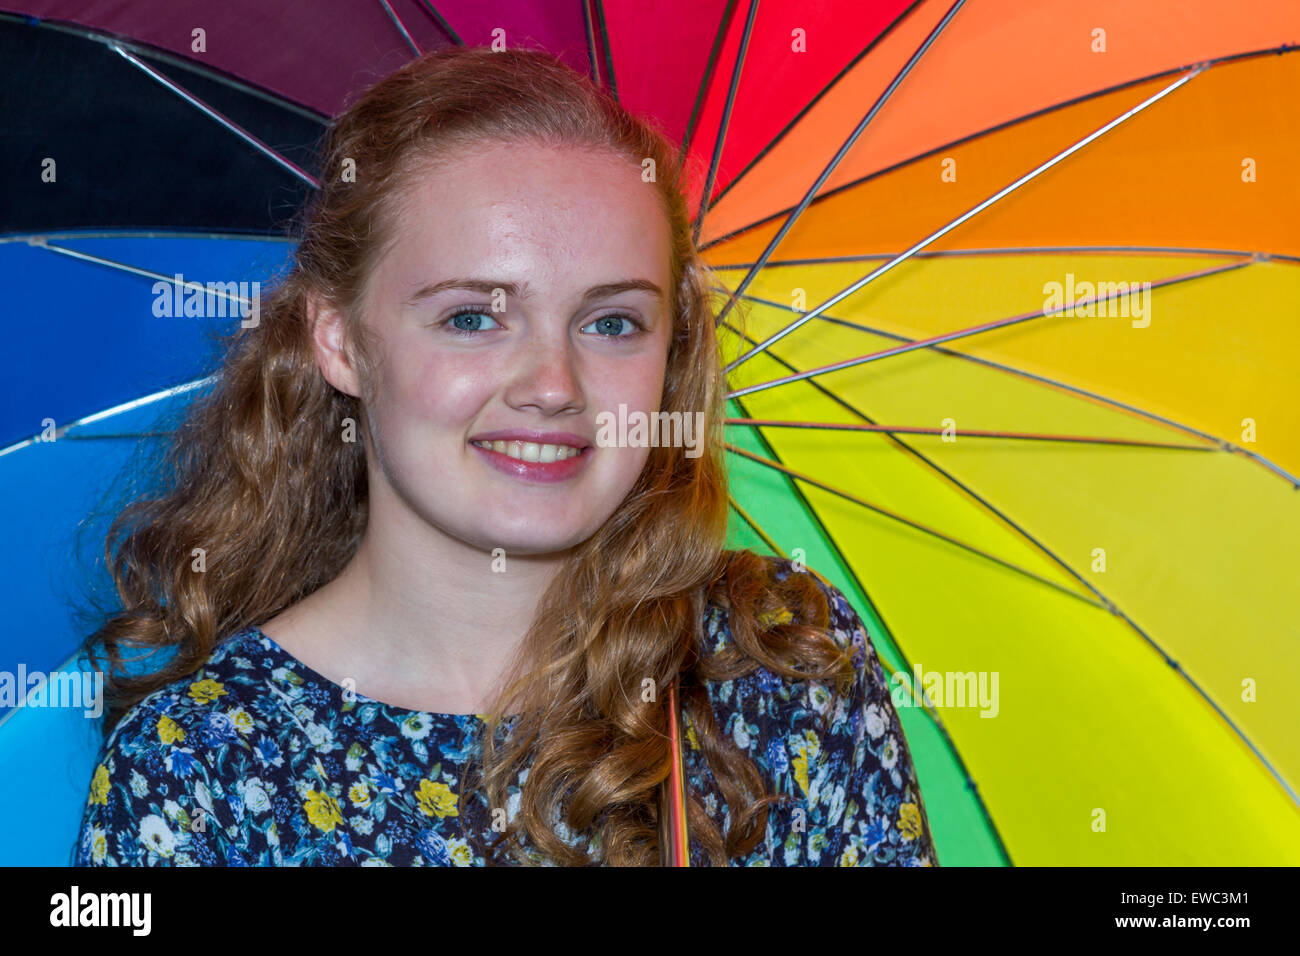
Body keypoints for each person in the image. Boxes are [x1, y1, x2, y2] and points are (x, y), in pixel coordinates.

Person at [69, 45, 937, 867]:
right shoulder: (196, 773)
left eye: (611, 323)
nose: (554, 385)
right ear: (338, 340)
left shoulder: (778, 666)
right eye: (472, 318)